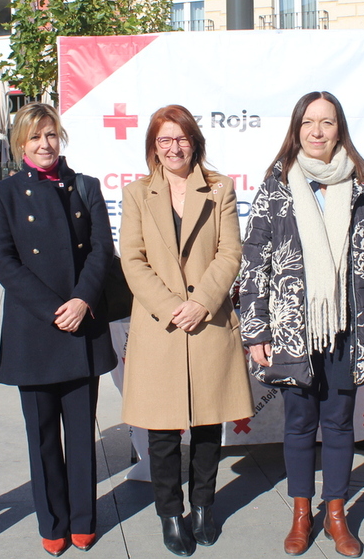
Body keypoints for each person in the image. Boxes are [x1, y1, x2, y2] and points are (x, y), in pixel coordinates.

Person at [240, 91, 364, 558]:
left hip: (351, 324)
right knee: (298, 423)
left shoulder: (363, 184)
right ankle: (299, 512)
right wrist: (256, 330)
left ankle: (336, 514)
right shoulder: (276, 184)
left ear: (339, 129)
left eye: (326, 123)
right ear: (296, 129)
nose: (317, 131)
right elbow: (255, 263)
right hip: (292, 325)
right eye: (309, 122)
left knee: (338, 423)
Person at [119, 105, 253, 557]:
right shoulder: (137, 194)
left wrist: (202, 303)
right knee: (161, 430)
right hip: (162, 326)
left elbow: (230, 252)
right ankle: (170, 514)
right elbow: (132, 261)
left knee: (208, 425)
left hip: (208, 322)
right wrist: (175, 308)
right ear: (153, 148)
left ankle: (203, 507)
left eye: (181, 139)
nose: (174, 148)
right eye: (164, 140)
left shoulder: (220, 188)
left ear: (194, 141)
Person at [0, 102, 117, 556]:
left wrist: (81, 300)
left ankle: (83, 519)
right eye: (36, 136)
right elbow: (4, 261)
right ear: (21, 142)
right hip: (35, 330)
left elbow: (102, 250)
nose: (45, 144)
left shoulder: (85, 186)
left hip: (81, 324)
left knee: (81, 432)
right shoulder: (3, 194)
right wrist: (54, 309)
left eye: (52, 135)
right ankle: (52, 522)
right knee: (41, 435)